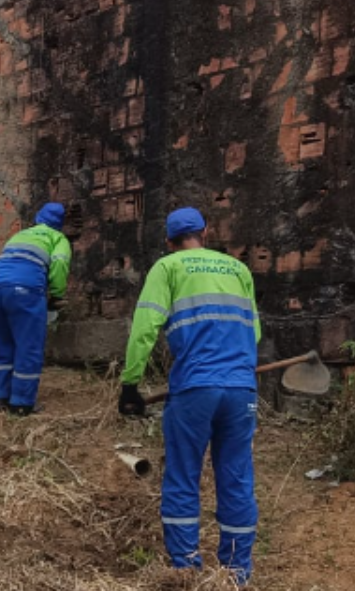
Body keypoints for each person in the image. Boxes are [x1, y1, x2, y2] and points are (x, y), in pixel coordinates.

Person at [118, 207, 260, 585]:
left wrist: (130, 384)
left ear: (169, 242)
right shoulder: (239, 270)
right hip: (242, 388)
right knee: (237, 477)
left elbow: (145, 328)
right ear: (205, 233)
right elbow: (254, 334)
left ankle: (185, 568)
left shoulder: (168, 268)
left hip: (195, 388)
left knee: (183, 475)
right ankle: (235, 572)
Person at [0, 202, 71, 416]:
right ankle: (21, 403)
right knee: (28, 346)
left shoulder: (20, 235)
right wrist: (57, 294)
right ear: (60, 224)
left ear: (39, 218)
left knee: (2, 343)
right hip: (24, 289)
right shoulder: (58, 239)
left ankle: (1, 398)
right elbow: (59, 264)